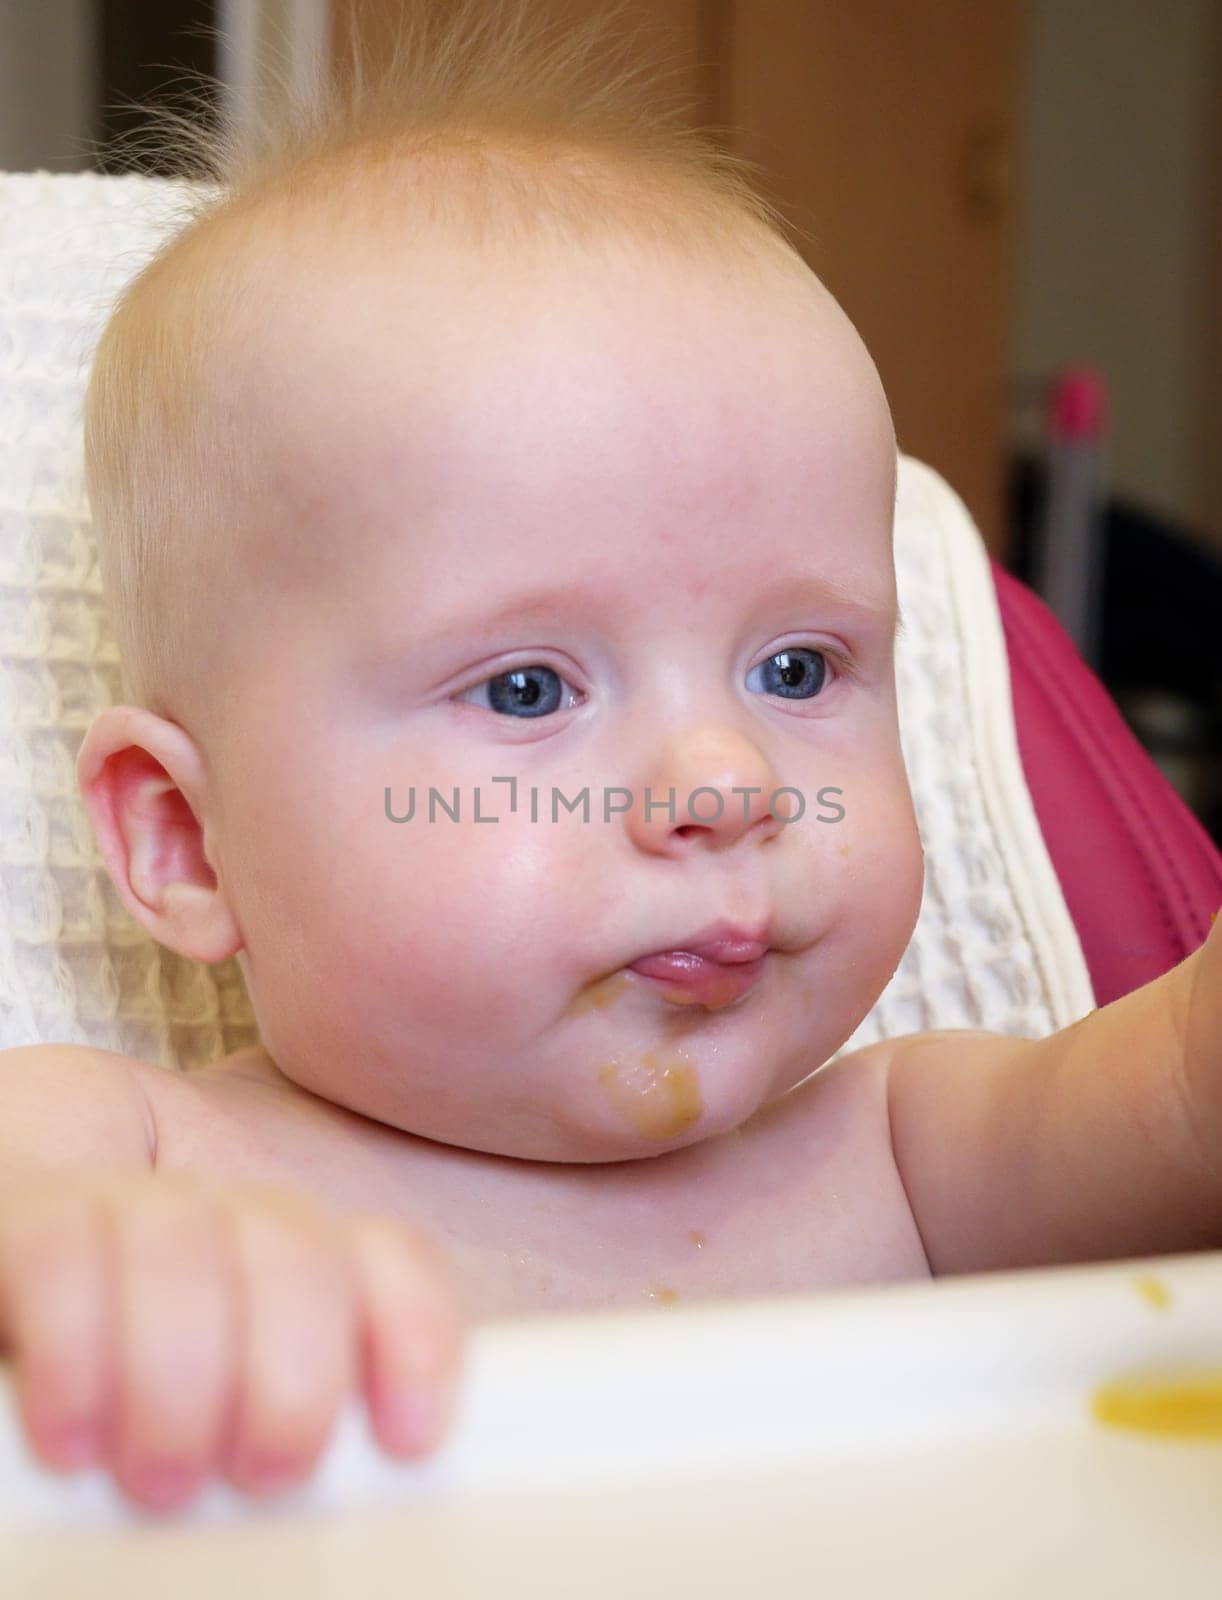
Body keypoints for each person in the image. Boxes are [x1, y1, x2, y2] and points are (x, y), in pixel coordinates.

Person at [1, 0, 1218, 1516]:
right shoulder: (129, 1152)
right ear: (183, 841)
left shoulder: (906, 1155)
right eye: (524, 688)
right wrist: (87, 1263)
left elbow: (1182, 1097)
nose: (724, 784)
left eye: (796, 668)